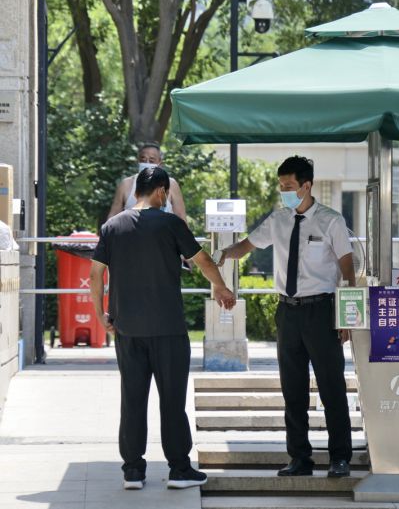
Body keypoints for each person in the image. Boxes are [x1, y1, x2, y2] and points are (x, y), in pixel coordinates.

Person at [90, 167, 236, 490]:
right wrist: (222, 289)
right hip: (168, 329)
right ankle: (179, 470)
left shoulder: (112, 227)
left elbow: (96, 274)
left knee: (132, 398)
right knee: (172, 399)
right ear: (160, 192)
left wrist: (101, 316)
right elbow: (203, 262)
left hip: (127, 329)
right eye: (167, 193)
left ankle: (133, 471)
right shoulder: (171, 224)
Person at [217, 156, 355, 478]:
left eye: (289, 187)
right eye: (281, 187)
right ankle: (299, 459)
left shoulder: (331, 221)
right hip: (288, 313)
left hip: (322, 311)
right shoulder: (277, 221)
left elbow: (348, 271)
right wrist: (222, 254)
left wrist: (348, 316)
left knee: (331, 387)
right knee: (292, 391)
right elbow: (245, 247)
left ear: (307, 185)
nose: (284, 192)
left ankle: (340, 458)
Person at [107, 142, 186, 221]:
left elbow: (181, 216)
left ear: (160, 163)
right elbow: (113, 214)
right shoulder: (126, 184)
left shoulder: (171, 184)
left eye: (151, 161)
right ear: (138, 161)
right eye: (143, 160)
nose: (147, 163)